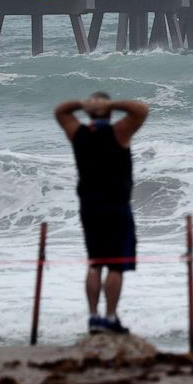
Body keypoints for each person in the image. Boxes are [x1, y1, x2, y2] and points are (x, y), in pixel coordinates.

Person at [55, 92, 149, 335]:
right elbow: (140, 109)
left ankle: (94, 317)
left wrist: (81, 103)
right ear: (109, 112)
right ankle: (110, 317)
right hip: (116, 206)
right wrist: (114, 103)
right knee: (115, 265)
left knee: (95, 262)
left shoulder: (79, 134)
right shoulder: (119, 132)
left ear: (87, 114)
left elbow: (60, 111)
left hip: (89, 206)